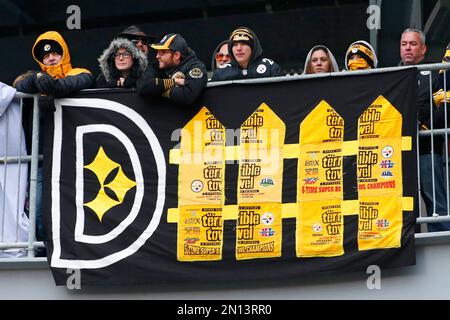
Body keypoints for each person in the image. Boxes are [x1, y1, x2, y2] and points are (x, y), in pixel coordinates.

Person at [399, 29, 450, 232]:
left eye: (413, 44)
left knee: (436, 204)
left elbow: (444, 110)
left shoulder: (434, 74)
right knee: (402, 204)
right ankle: (405, 244)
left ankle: (444, 243)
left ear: (423, 49)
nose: (408, 48)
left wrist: (424, 126)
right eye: (404, 44)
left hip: (427, 149)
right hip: (399, 154)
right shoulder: (391, 77)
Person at [14, 31, 94, 97]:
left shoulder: (81, 72)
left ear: (63, 55)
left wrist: (48, 88)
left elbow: (79, 81)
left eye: (55, 53)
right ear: (42, 61)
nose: (51, 58)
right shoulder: (39, 77)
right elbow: (18, 85)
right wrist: (36, 77)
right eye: (46, 56)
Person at [137, 33, 207, 105]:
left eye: (162, 52)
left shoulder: (196, 67)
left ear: (176, 55)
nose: (157, 56)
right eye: (157, 52)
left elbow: (187, 96)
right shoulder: (158, 64)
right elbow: (142, 86)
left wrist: (157, 89)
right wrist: (174, 81)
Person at [211, 26, 283, 81]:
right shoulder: (221, 73)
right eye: (235, 44)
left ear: (253, 48)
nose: (238, 48)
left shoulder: (270, 68)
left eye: (244, 43)